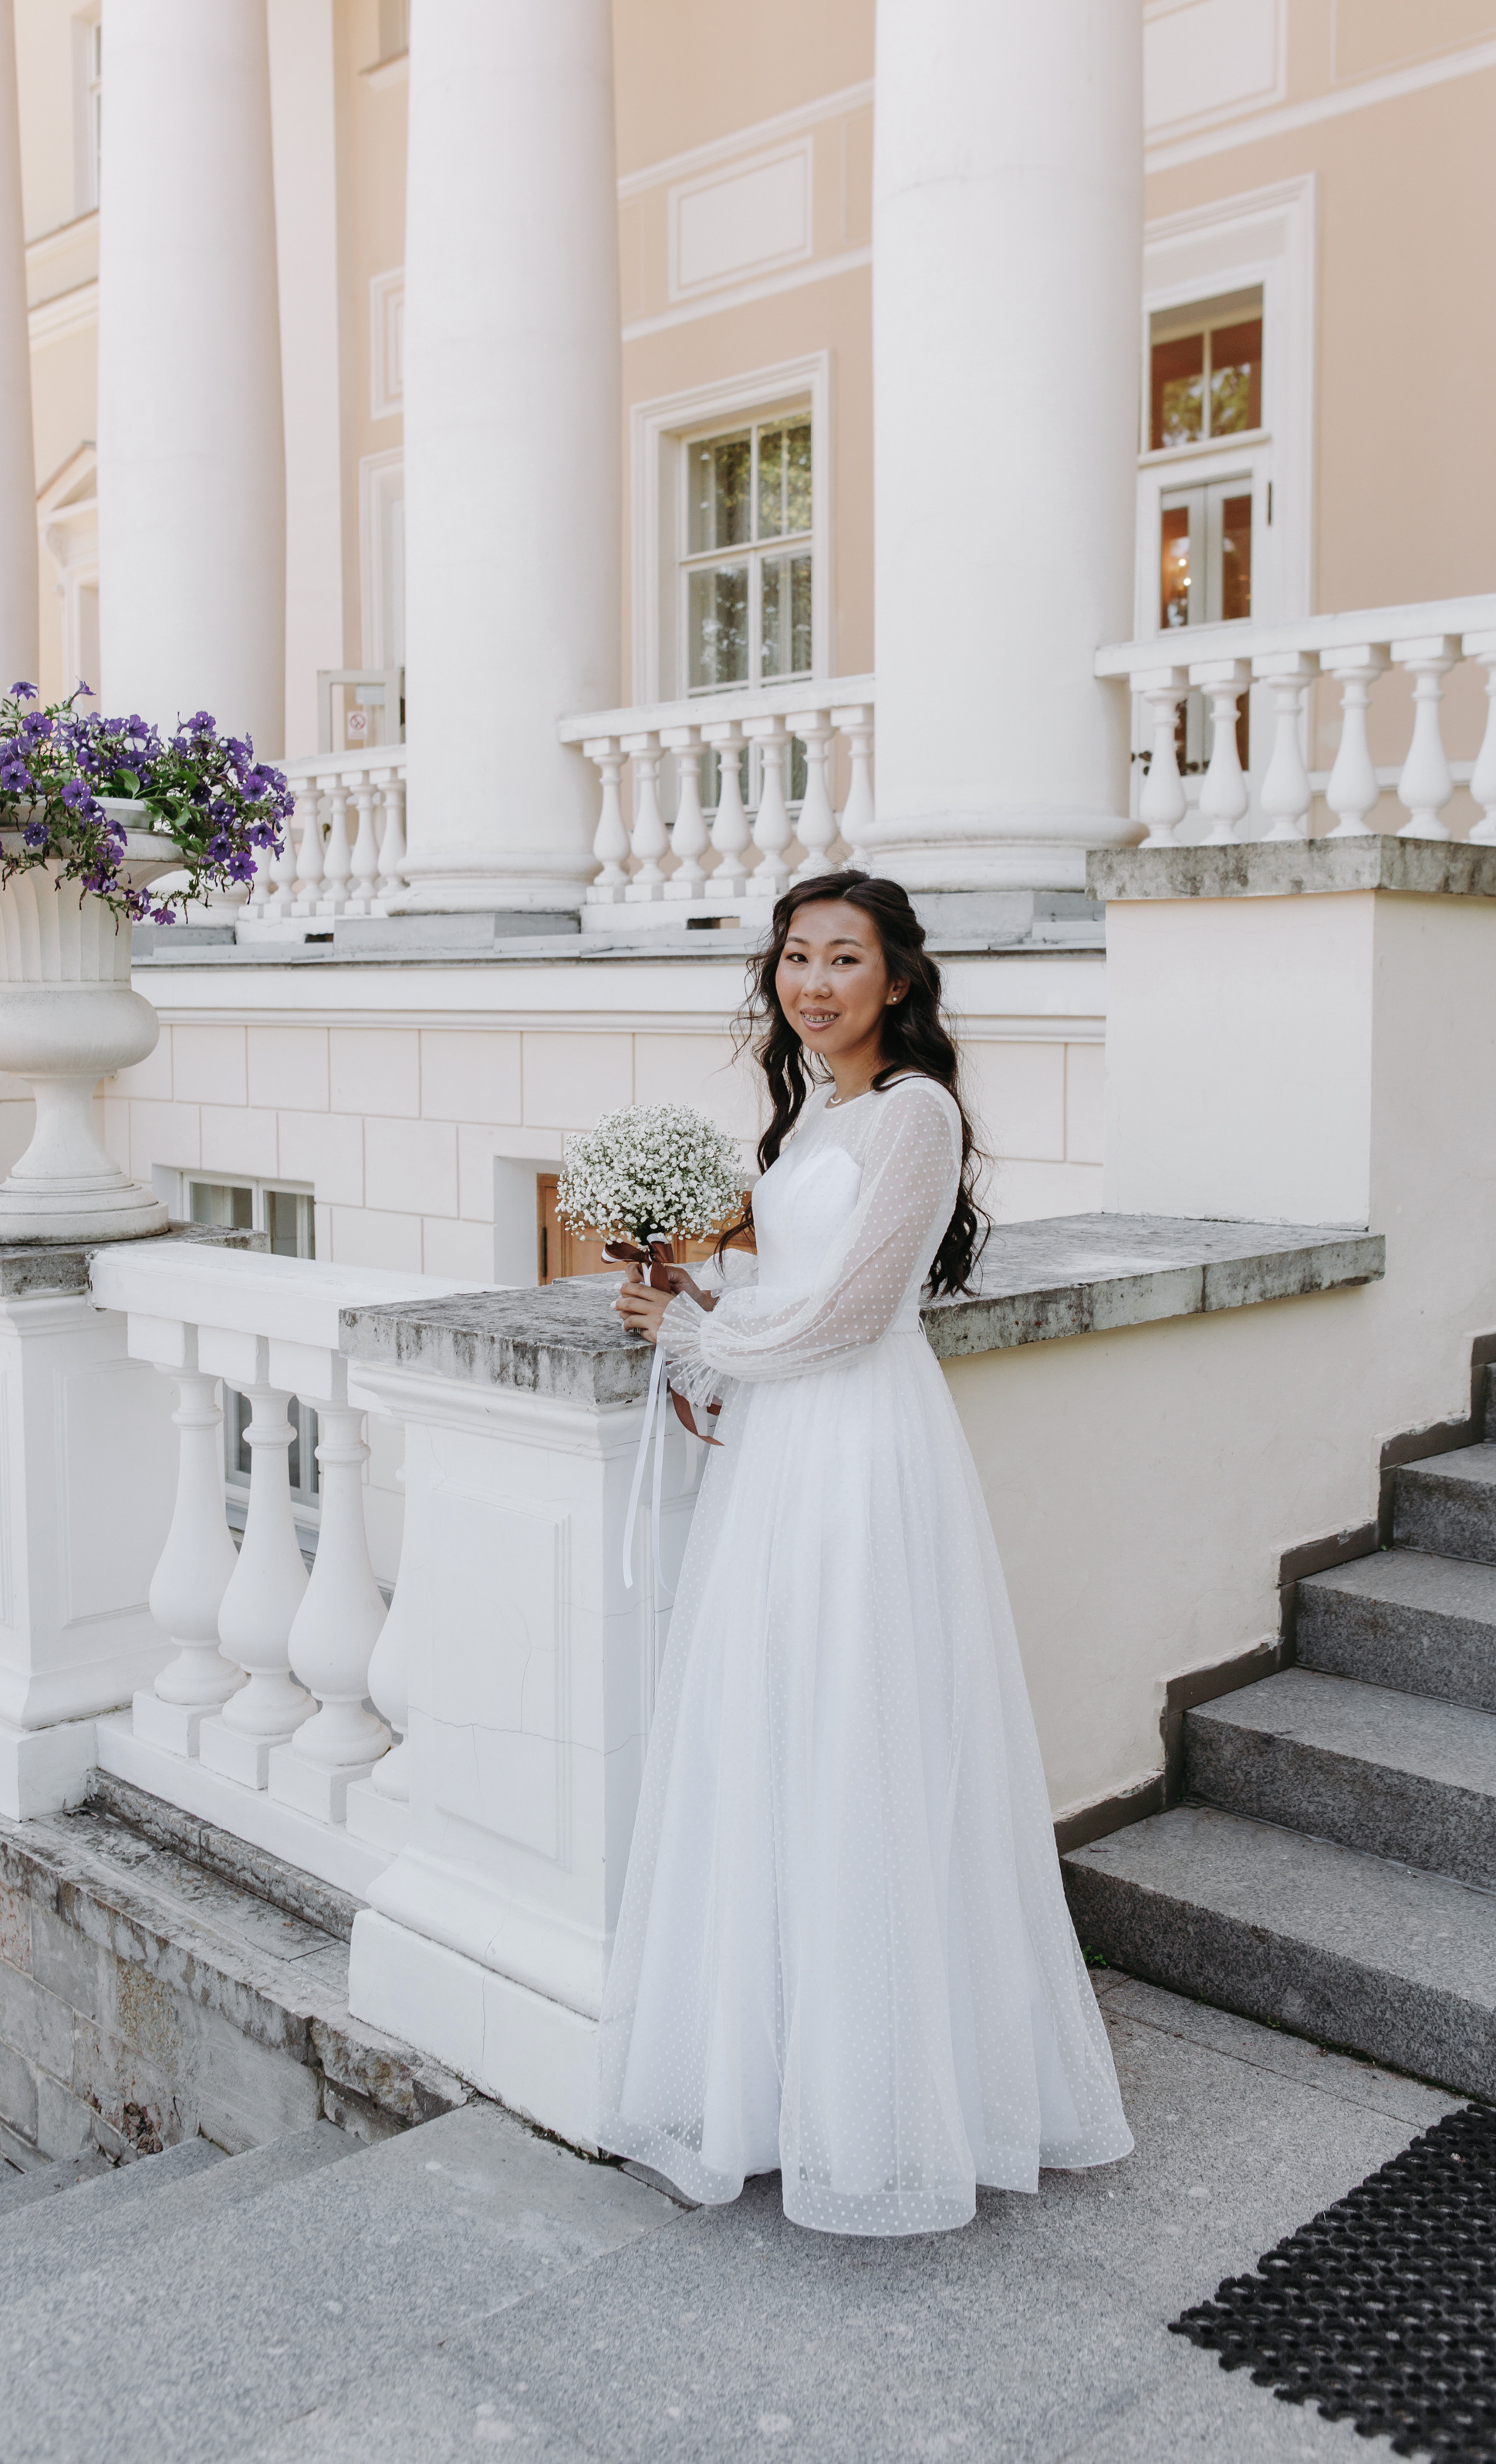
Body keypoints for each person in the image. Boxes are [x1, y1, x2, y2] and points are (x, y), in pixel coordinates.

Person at [598, 869, 1132, 2236]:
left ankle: (888, 2106)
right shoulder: (810, 1118)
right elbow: (790, 1295)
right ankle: (782, 2084)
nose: (813, 983)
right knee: (775, 1738)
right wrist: (693, 1298)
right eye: (794, 957)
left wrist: (698, 1339)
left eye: (844, 958)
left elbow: (852, 1314)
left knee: (864, 1738)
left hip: (861, 1453)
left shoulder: (915, 1112)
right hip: (780, 1458)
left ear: (897, 979)